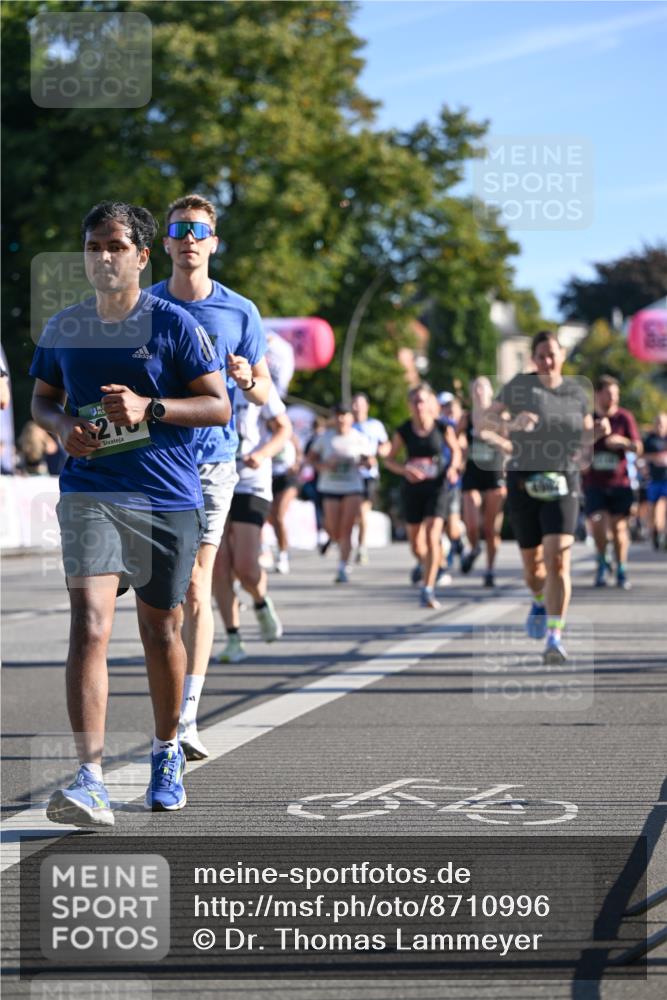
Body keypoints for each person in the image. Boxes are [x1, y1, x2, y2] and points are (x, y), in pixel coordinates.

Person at [29, 201, 230, 826]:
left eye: (116, 245)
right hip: (91, 492)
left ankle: (167, 750)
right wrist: (65, 428)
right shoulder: (63, 327)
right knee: (89, 625)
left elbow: (219, 406)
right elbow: (42, 399)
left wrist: (152, 409)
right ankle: (89, 779)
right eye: (93, 247)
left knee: (160, 630)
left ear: (143, 256)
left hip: (166, 497)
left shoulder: (172, 325)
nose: (103, 257)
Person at [149, 193, 271, 761]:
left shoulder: (239, 311)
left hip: (215, 461)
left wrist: (248, 379)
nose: (190, 238)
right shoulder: (141, 306)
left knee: (197, 587)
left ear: (213, 243)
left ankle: (187, 718)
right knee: (161, 597)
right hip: (153, 460)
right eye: (180, 229)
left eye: (200, 229)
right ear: (166, 243)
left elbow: (268, 392)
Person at [484, 330, 593, 664]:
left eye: (553, 354)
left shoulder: (576, 391)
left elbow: (587, 430)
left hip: (563, 479)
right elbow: (484, 421)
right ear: (533, 358)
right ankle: (537, 597)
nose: (548, 360)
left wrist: (593, 440)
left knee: (558, 558)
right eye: (541, 355)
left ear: (563, 356)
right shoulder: (519, 386)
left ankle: (554, 636)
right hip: (524, 481)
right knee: (533, 568)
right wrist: (511, 423)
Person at [217, 384, 291, 662]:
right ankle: (233, 637)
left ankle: (260, 603)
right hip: (213, 480)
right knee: (219, 565)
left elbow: (283, 429)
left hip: (251, 482)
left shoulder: (255, 382)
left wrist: (262, 455)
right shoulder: (200, 375)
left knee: (246, 566)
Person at [384, 384, 461, 609]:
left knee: (432, 536)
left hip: (437, 487)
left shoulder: (442, 427)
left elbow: (455, 451)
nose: (419, 406)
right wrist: (405, 470)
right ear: (410, 405)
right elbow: (389, 459)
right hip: (413, 489)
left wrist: (453, 468)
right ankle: (430, 563)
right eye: (415, 401)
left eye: (422, 401)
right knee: (416, 545)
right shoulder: (404, 430)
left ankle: (427, 589)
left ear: (430, 404)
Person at [582, 375, 642, 589]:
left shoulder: (624, 418)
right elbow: (577, 449)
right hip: (594, 483)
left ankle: (622, 568)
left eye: (616, 395)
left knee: (618, 529)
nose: (613, 399)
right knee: (598, 524)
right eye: (609, 394)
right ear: (598, 394)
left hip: (620, 483)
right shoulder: (588, 418)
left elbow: (638, 447)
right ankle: (601, 560)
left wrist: (623, 442)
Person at [307, 403, 373, 583]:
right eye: (338, 415)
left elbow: (370, 461)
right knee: (333, 529)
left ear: (351, 418)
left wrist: (364, 462)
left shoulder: (359, 438)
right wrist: (324, 466)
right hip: (330, 487)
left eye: (345, 415)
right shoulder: (325, 438)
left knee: (347, 528)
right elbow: (310, 459)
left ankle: (343, 566)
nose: (342, 419)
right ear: (334, 418)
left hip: (352, 487)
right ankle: (335, 544)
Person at [460, 376, 510, 587]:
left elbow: (511, 446)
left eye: (483, 387)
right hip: (472, 473)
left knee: (490, 529)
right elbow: (456, 441)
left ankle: (489, 569)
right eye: (476, 388)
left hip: (494, 473)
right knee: (472, 525)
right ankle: (473, 548)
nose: (479, 392)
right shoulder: (467, 418)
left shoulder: (500, 417)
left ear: (491, 392)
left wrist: (493, 438)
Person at [351, 391, 390, 565]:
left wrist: (377, 455)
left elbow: (386, 446)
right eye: (354, 405)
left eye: (360, 405)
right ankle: (336, 538)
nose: (356, 408)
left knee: (362, 512)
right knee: (352, 514)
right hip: (349, 476)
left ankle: (361, 547)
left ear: (366, 407)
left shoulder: (375, 425)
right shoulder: (347, 425)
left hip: (368, 476)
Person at [269, 431, 301, 574]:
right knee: (271, 518)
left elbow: (300, 454)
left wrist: (297, 464)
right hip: (269, 477)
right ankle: (273, 548)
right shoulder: (261, 431)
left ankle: (283, 555)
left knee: (280, 515)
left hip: (288, 478)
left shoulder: (289, 434)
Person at [643, 412, 667, 550]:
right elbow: (641, 456)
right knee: (653, 508)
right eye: (658, 423)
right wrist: (654, 458)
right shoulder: (649, 440)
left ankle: (662, 533)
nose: (660, 426)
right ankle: (655, 531)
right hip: (654, 479)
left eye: (663, 424)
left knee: (663, 504)